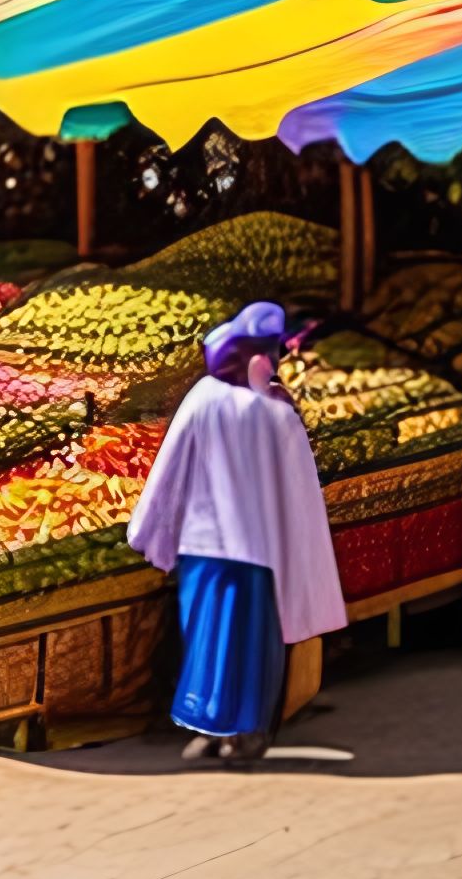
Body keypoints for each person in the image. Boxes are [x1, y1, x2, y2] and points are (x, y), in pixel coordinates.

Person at [125, 303, 342, 766]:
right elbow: (298, 490)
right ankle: (242, 733)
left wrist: (149, 529)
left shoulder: (203, 397)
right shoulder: (276, 414)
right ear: (259, 357)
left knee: (205, 636)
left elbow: (169, 468)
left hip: (202, 545)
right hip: (254, 549)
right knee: (250, 643)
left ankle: (207, 724)